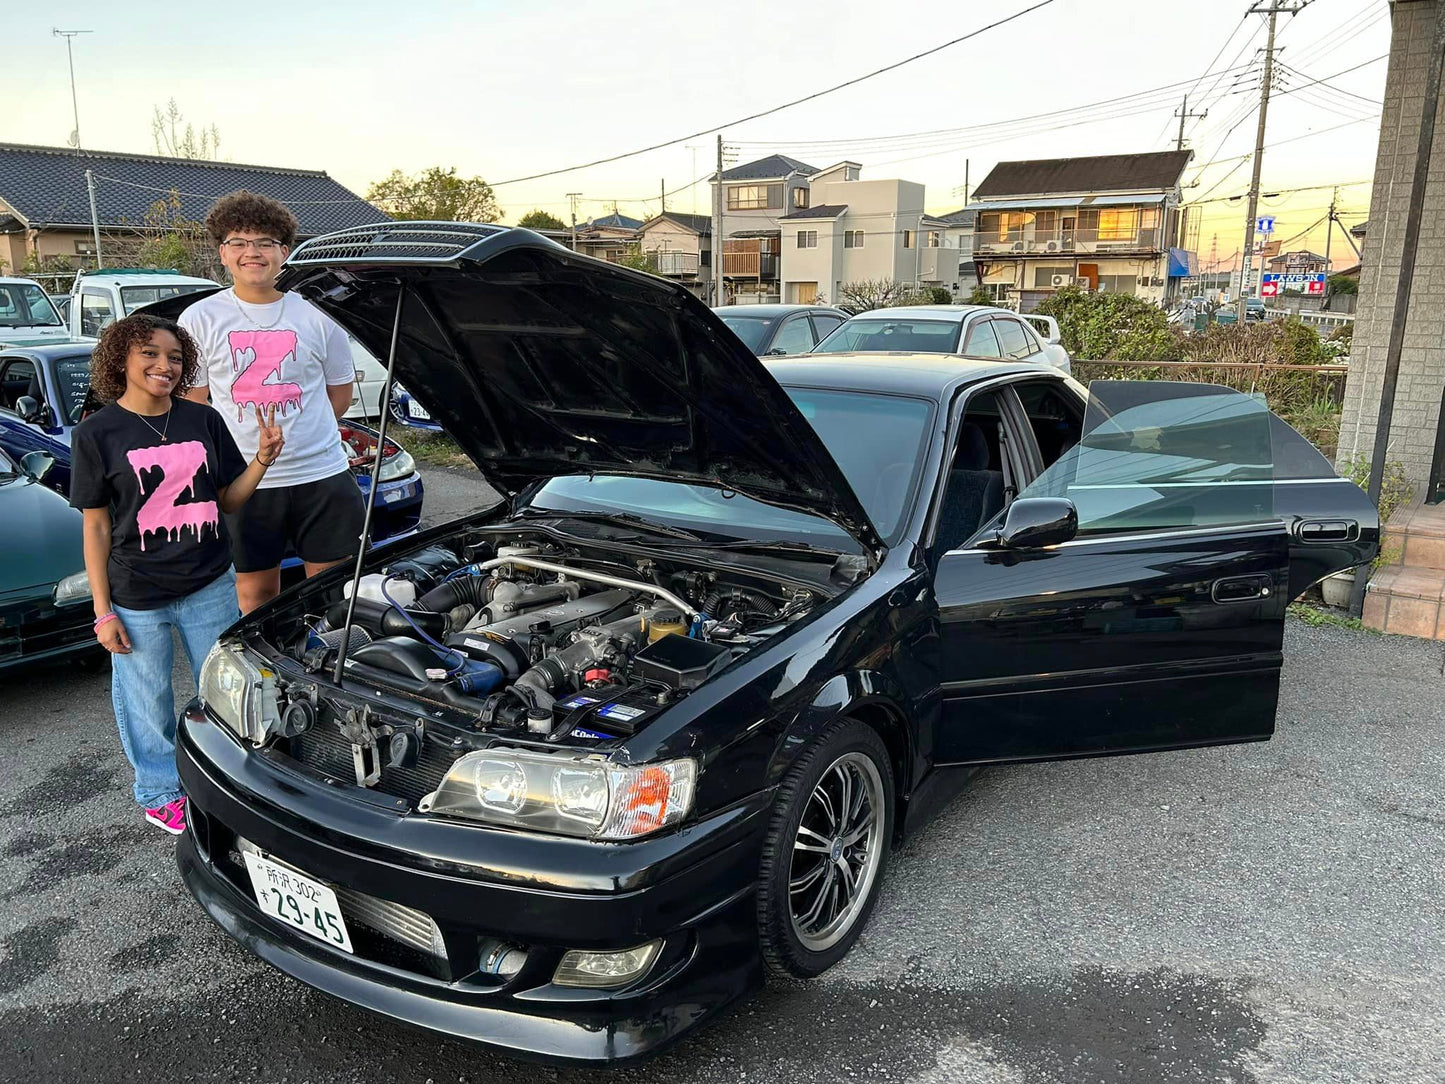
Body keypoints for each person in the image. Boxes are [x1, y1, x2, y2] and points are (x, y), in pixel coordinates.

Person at [71, 314, 284, 834]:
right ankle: (160, 790)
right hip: (136, 594)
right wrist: (102, 613)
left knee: (227, 690)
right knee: (147, 701)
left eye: (174, 357)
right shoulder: (95, 433)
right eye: (149, 353)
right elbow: (96, 529)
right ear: (120, 359)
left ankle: (234, 778)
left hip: (209, 582)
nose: (164, 365)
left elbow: (228, 500)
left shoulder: (202, 420)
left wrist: (260, 460)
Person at [181, 189, 364, 614]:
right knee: (255, 595)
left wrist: (305, 432)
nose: (253, 253)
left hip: (322, 473)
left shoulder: (320, 313)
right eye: (239, 243)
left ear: (285, 252)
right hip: (245, 481)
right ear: (223, 253)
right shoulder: (199, 318)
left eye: (265, 243)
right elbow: (195, 403)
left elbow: (340, 392)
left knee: (333, 592)